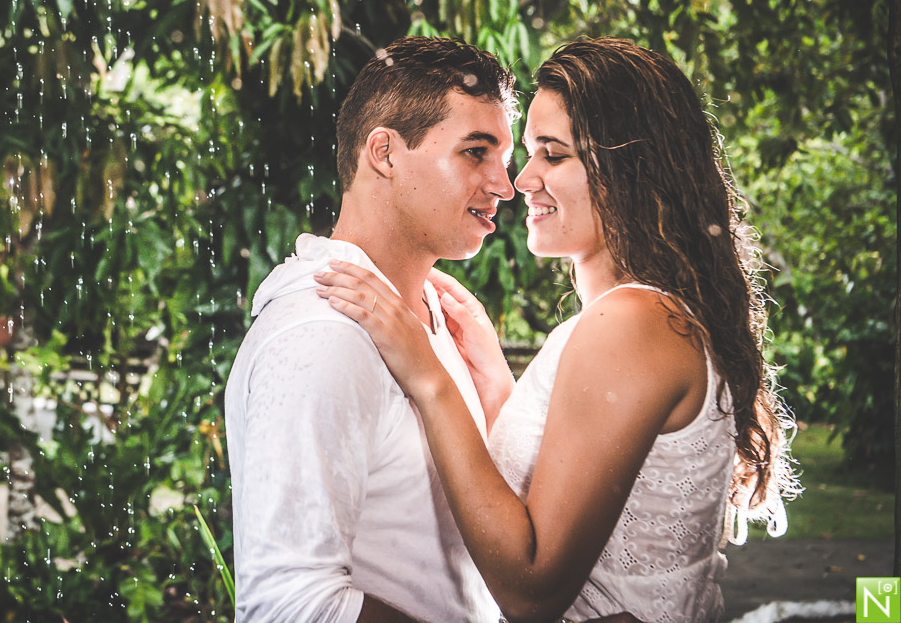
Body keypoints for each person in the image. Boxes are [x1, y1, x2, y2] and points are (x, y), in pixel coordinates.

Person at [316, 37, 798, 623]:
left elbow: (532, 590)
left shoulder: (629, 324)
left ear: (629, 166)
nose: (521, 180)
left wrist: (428, 374)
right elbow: (560, 497)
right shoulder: (648, 320)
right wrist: (495, 384)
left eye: (553, 153)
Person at [225, 36, 517, 623]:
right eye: (475, 152)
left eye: (504, 161)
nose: (504, 187)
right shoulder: (321, 334)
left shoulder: (435, 321)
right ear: (383, 153)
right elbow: (289, 606)